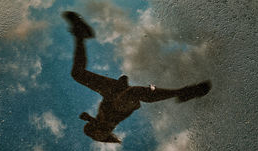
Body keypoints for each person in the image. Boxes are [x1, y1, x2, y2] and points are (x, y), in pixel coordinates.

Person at [62, 11, 211, 143]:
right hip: (120, 106)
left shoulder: (97, 126)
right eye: (94, 130)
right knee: (134, 93)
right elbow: (100, 131)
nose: (92, 127)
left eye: (92, 128)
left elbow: (96, 126)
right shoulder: (102, 133)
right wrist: (89, 120)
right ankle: (181, 92)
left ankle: (80, 35)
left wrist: (89, 119)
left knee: (78, 74)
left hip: (110, 94)